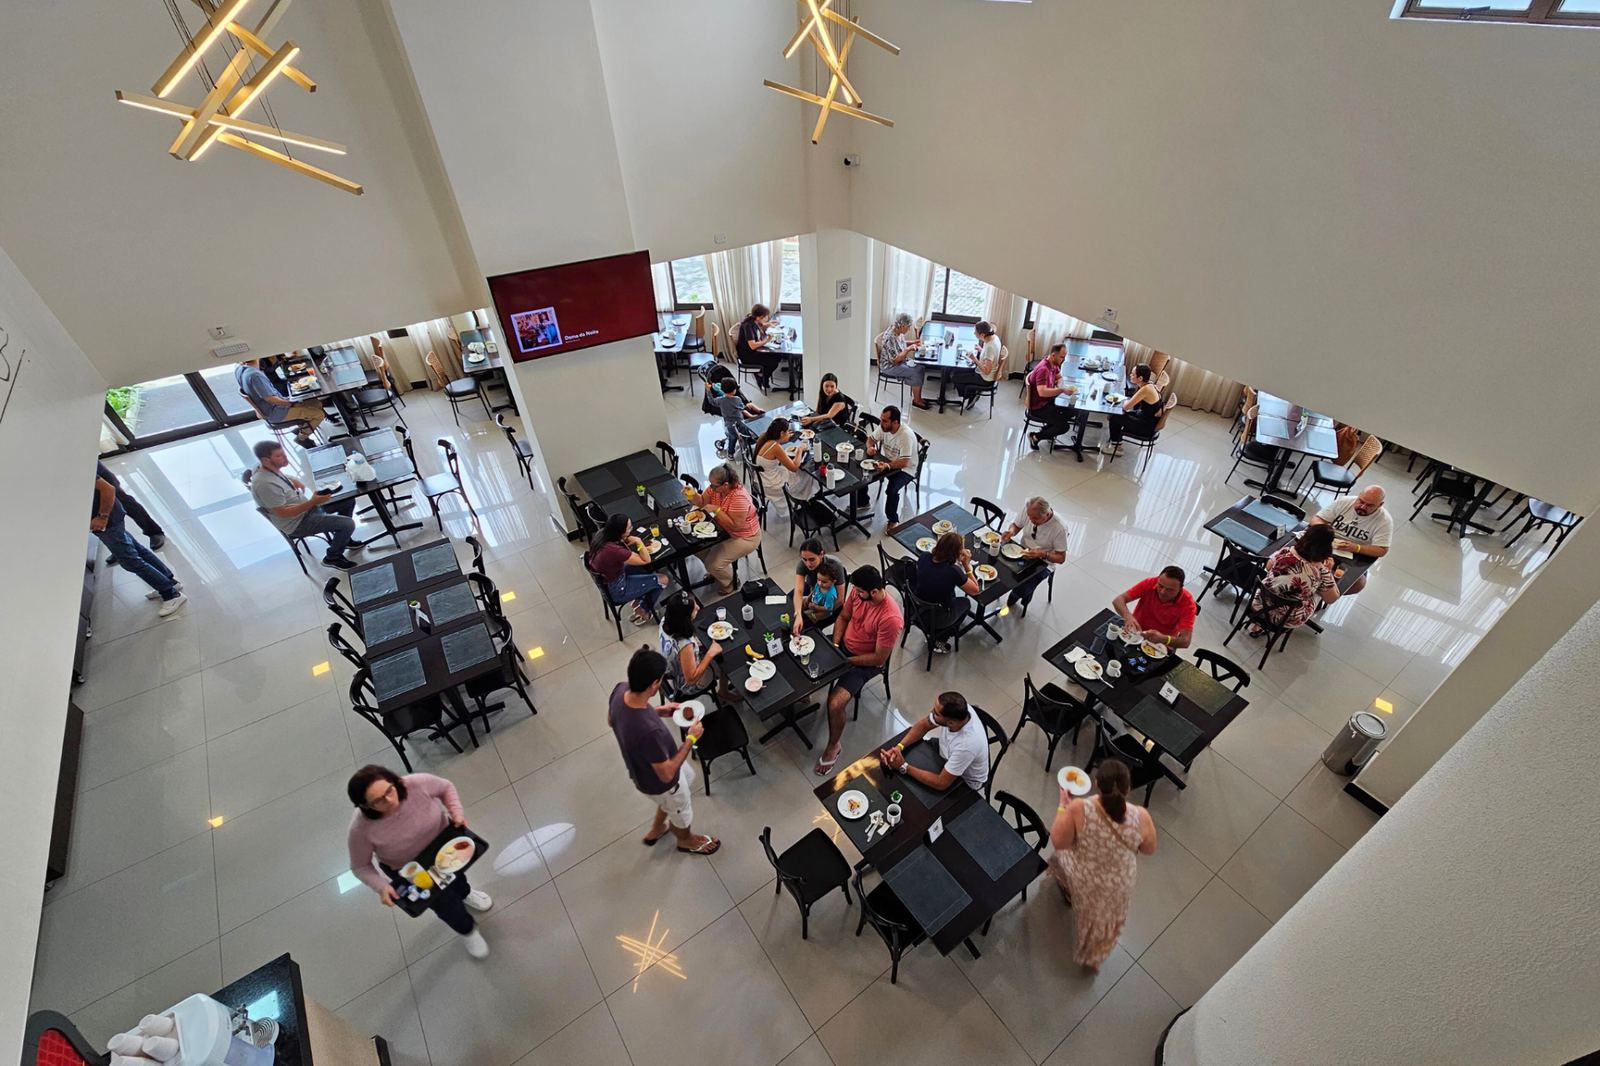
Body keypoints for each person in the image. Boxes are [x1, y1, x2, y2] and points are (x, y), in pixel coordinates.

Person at [346, 766, 494, 959]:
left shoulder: (414, 784)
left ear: (394, 781)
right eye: (378, 801)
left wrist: (456, 812)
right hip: (411, 869)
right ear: (365, 806)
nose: (389, 800)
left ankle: (465, 893)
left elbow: (445, 787)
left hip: (444, 845)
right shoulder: (360, 828)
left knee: (457, 878)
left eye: (389, 790)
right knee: (445, 904)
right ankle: (467, 930)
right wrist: (381, 886)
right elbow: (359, 866)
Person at [1049, 758, 1156, 973]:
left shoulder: (1080, 808)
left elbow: (1059, 842)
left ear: (1097, 784)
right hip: (1117, 884)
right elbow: (1148, 849)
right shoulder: (1141, 816)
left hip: (1083, 874)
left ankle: (1069, 891)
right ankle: (1093, 957)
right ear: (1127, 789)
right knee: (1103, 922)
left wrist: (1063, 806)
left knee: (1061, 858)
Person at [610, 647, 720, 855]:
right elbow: (667, 774)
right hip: (662, 782)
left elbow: (611, 720)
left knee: (686, 778)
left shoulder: (620, 691)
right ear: (654, 684)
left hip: (644, 770)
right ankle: (685, 841)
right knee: (681, 812)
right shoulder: (648, 731)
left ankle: (658, 827)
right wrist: (692, 737)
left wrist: (657, 711)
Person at [815, 565, 904, 775]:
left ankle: (834, 745)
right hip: (843, 647)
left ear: (874, 591)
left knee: (835, 704)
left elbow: (879, 658)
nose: (855, 593)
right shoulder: (858, 593)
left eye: (860, 591)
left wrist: (846, 661)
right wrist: (835, 646)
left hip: (864, 663)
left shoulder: (891, 618)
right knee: (803, 652)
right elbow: (843, 617)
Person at [245, 440, 364, 570]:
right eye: (279, 456)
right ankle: (332, 558)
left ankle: (343, 539)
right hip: (298, 522)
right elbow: (283, 513)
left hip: (307, 508)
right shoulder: (265, 485)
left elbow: (279, 476)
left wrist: (294, 479)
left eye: (283, 453)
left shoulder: (263, 467)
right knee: (348, 524)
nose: (285, 457)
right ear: (266, 460)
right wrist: (313, 502)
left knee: (347, 501)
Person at [91, 469, 186, 616]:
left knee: (129, 560)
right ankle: (170, 582)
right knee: (138, 550)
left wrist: (102, 517)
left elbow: (108, 489)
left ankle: (171, 595)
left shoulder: (73, 469)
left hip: (106, 519)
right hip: (108, 516)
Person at [879, 691, 990, 794]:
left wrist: (903, 766)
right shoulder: (961, 711)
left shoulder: (966, 745)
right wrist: (899, 747)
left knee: (913, 790)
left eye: (936, 713)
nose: (931, 711)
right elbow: (924, 725)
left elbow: (941, 783)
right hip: (945, 753)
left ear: (951, 723)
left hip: (965, 780)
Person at [1250, 524, 1343, 634]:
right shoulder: (1321, 572)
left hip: (1258, 604)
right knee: (1318, 592)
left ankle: (1257, 624)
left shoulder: (1286, 552)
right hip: (1285, 619)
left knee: (1277, 580)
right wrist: (1329, 571)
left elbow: (1268, 567)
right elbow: (1331, 599)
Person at [691, 464, 763, 595]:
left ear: (725, 484)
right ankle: (717, 571)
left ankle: (730, 581)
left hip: (745, 537)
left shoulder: (738, 498)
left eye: (714, 486)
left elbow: (736, 526)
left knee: (712, 564)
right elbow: (702, 503)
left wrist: (716, 510)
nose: (711, 488)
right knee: (697, 549)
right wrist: (692, 494)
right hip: (724, 530)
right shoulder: (715, 489)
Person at [589, 514, 670, 626]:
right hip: (617, 589)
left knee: (641, 568)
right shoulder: (614, 551)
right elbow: (646, 560)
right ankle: (643, 609)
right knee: (663, 580)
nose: (631, 530)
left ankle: (638, 600)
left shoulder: (601, 535)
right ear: (620, 532)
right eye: (629, 528)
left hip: (608, 580)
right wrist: (639, 542)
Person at [1308, 486, 1391, 594]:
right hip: (1326, 542)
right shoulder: (1343, 502)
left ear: (1380, 505)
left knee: (1358, 584)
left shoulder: (1384, 521)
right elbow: (1316, 519)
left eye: (1370, 505)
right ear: (1359, 495)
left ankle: (1322, 595)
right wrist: (1324, 529)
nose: (1362, 507)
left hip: (1352, 554)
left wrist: (1357, 548)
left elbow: (1382, 550)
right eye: (1361, 501)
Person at [914, 531, 980, 653]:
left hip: (916, 608)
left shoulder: (924, 556)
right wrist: (966, 565)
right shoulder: (953, 571)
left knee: (949, 592)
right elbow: (975, 590)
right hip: (936, 617)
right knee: (965, 603)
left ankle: (936, 631)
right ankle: (941, 638)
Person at [235, 356, 326, 445]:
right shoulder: (255, 375)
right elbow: (270, 398)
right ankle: (301, 438)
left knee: (315, 403)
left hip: (271, 407)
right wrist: (292, 403)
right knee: (319, 414)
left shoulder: (239, 369)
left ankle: (302, 429)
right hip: (276, 411)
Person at [1000, 495, 1069, 612]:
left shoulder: (1059, 528)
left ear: (1046, 514)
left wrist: (1044, 554)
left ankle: (1017, 594)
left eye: (1035, 518)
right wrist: (1011, 531)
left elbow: (1061, 558)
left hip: (1044, 561)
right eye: (1029, 517)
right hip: (1023, 551)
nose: (1031, 521)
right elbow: (1016, 525)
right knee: (1001, 566)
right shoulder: (1029, 511)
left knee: (1024, 585)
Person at [658, 591, 726, 702]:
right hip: (686, 684)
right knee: (724, 660)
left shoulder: (664, 621)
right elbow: (691, 680)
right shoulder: (685, 644)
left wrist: (696, 649)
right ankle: (724, 692)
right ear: (685, 617)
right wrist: (710, 654)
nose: (698, 608)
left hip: (671, 669)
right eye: (694, 609)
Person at [95, 462, 165, 565]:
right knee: (100, 514)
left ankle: (154, 531)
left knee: (125, 503)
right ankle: (121, 546)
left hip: (97, 475)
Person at [1112, 565, 1196, 650]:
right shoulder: (1150, 583)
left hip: (1159, 645)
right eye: (1160, 586)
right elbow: (1118, 600)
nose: (1162, 592)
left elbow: (1186, 641)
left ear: (1180, 589)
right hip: (1135, 632)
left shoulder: (1188, 605)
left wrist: (1163, 639)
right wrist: (1127, 616)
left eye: (1170, 590)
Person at [865, 405, 919, 527]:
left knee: (891, 490)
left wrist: (886, 466)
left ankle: (893, 519)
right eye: (881, 419)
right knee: (863, 472)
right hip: (888, 462)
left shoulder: (905, 436)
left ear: (895, 422)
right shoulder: (883, 428)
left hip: (906, 469)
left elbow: (904, 462)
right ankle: (863, 501)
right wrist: (869, 448)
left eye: (884, 421)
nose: (881, 423)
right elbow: (870, 440)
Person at [1026, 343, 1080, 451]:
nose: (1063, 360)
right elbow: (1042, 392)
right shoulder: (1044, 369)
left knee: (1074, 410)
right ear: (1053, 355)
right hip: (1039, 406)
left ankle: (1049, 429)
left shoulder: (1053, 364)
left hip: (1048, 401)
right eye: (1062, 357)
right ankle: (1035, 437)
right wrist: (1061, 390)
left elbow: (1059, 377)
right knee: (1064, 427)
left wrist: (1059, 388)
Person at [792, 537, 848, 635]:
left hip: (829, 600)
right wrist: (798, 614)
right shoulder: (802, 564)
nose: (808, 564)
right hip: (814, 590)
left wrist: (817, 614)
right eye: (804, 559)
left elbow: (840, 600)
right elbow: (799, 590)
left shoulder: (835, 565)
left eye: (812, 559)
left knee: (808, 626)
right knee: (789, 603)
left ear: (821, 554)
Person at [1104, 363, 1162, 456]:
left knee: (1115, 417)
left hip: (1146, 427)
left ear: (1140, 378)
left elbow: (1126, 407)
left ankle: (1117, 448)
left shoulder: (1145, 390)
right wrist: (1127, 401)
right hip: (1145, 418)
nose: (1130, 375)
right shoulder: (1150, 384)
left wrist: (1124, 400)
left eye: (1133, 374)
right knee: (1118, 414)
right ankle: (1116, 442)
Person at [875, 312, 929, 410]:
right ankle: (916, 401)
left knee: (920, 367)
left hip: (900, 360)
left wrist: (912, 343)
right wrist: (908, 349)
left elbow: (900, 343)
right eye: (908, 327)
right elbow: (895, 360)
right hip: (890, 366)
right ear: (903, 325)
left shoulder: (898, 331)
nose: (909, 329)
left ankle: (918, 397)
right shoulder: (890, 337)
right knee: (917, 371)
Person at [950, 320, 1003, 410]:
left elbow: (987, 371)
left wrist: (974, 359)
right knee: (957, 371)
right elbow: (991, 356)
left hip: (985, 378)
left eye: (975, 333)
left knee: (955, 378)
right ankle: (972, 392)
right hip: (986, 373)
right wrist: (981, 350)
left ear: (982, 335)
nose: (974, 334)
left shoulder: (990, 347)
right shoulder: (994, 338)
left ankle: (971, 394)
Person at [736, 304, 783, 390]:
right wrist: (767, 340)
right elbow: (753, 346)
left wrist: (770, 324)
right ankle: (763, 378)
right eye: (765, 316)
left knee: (779, 355)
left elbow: (761, 326)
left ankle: (761, 374)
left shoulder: (754, 320)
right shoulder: (748, 326)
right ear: (758, 316)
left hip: (755, 351)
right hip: (748, 355)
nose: (766, 318)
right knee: (773, 362)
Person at [712, 377, 762, 458]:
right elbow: (742, 409)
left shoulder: (720, 400)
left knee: (732, 438)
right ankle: (746, 449)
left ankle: (731, 454)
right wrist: (751, 415)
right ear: (734, 390)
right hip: (740, 422)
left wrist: (708, 390)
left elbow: (712, 401)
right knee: (744, 436)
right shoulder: (737, 399)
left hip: (729, 424)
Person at [803, 556, 845, 627]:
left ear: (833, 582)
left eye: (824, 582)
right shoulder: (819, 584)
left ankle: (814, 619)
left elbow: (828, 608)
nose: (820, 583)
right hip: (814, 603)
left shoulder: (830, 595)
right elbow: (814, 590)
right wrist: (808, 598)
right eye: (818, 580)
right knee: (798, 602)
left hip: (821, 611)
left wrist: (815, 607)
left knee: (805, 618)